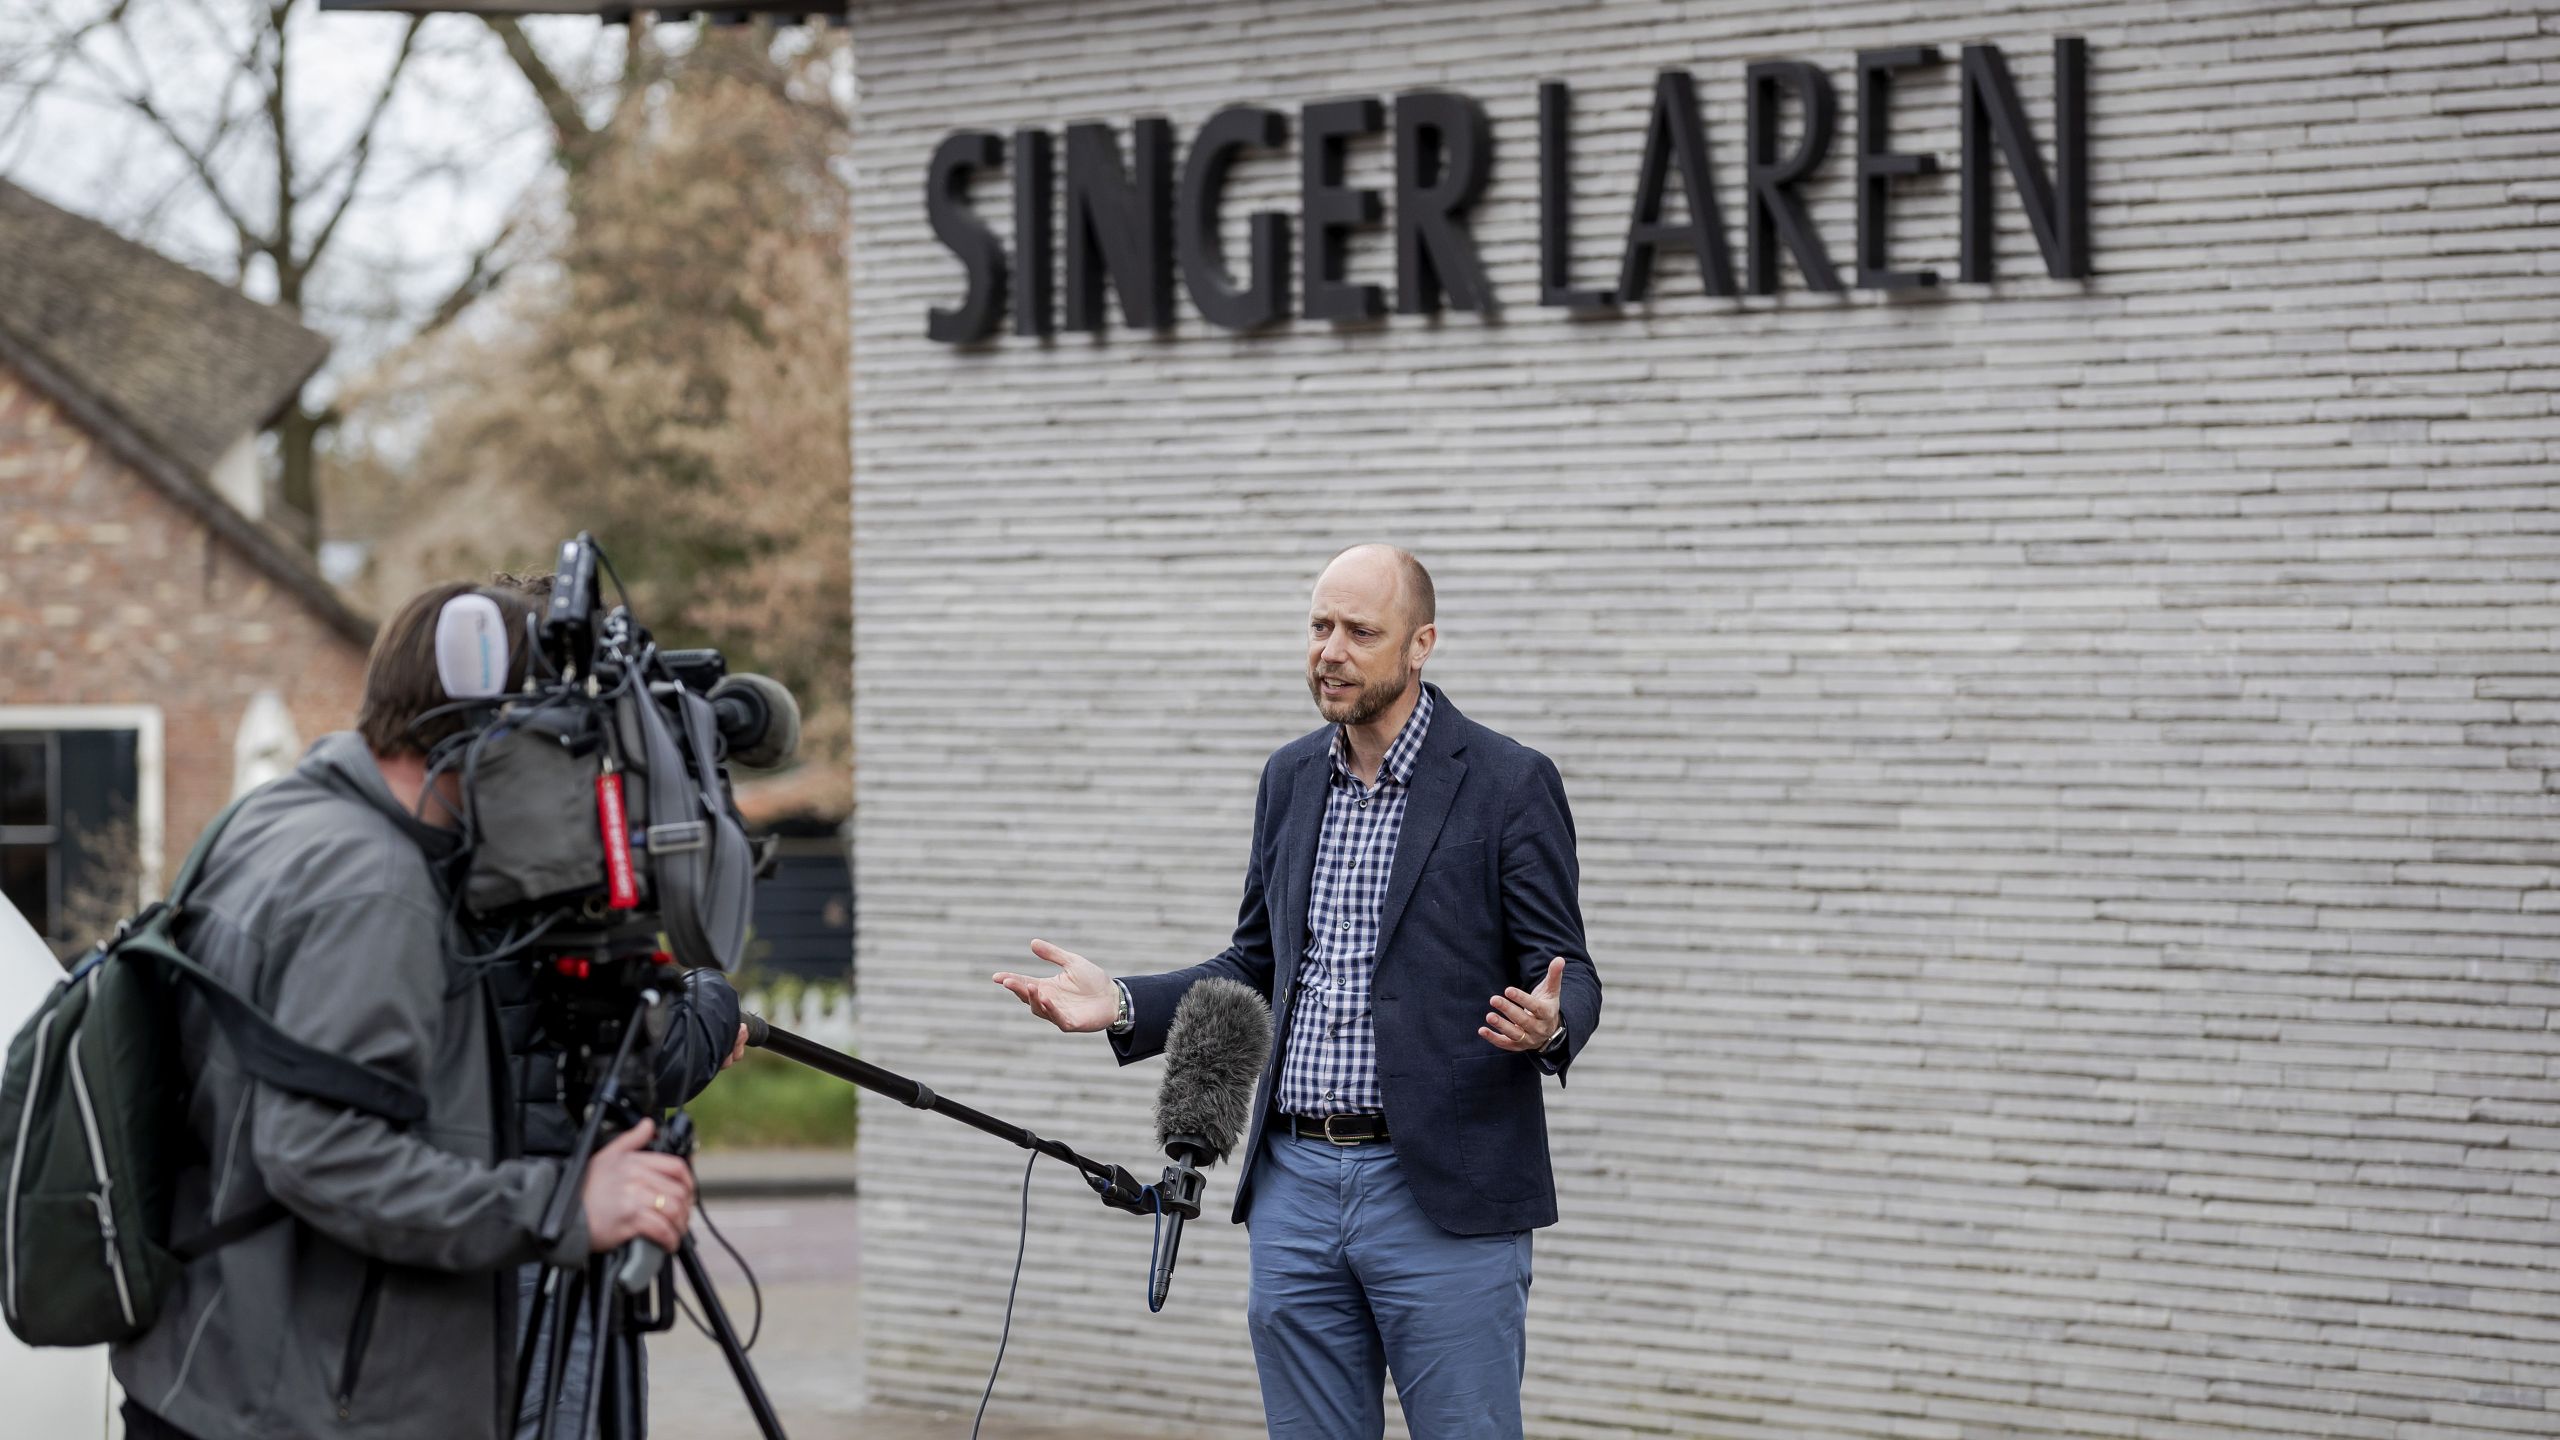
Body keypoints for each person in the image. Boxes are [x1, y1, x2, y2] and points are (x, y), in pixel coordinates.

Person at [994, 543, 1601, 1439]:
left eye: (1361, 631)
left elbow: (1569, 968)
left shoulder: (1508, 783)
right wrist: (1121, 1002)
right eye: (1320, 626)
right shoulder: (1288, 779)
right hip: (1295, 1185)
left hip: (1441, 1189)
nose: (1332, 650)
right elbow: (1254, 966)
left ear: (1421, 644)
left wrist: (1551, 1025)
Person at [111, 582, 697, 1440]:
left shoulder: (280, 816)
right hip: (302, 1406)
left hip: (220, 1374)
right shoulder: (373, 887)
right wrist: (562, 1209)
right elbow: (319, 1152)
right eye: (555, 738)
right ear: (495, 734)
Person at [484, 570, 747, 1440]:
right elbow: (648, 1058)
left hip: (458, 1246)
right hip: (549, 1234)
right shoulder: (557, 857)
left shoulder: (445, 824)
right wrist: (711, 999)